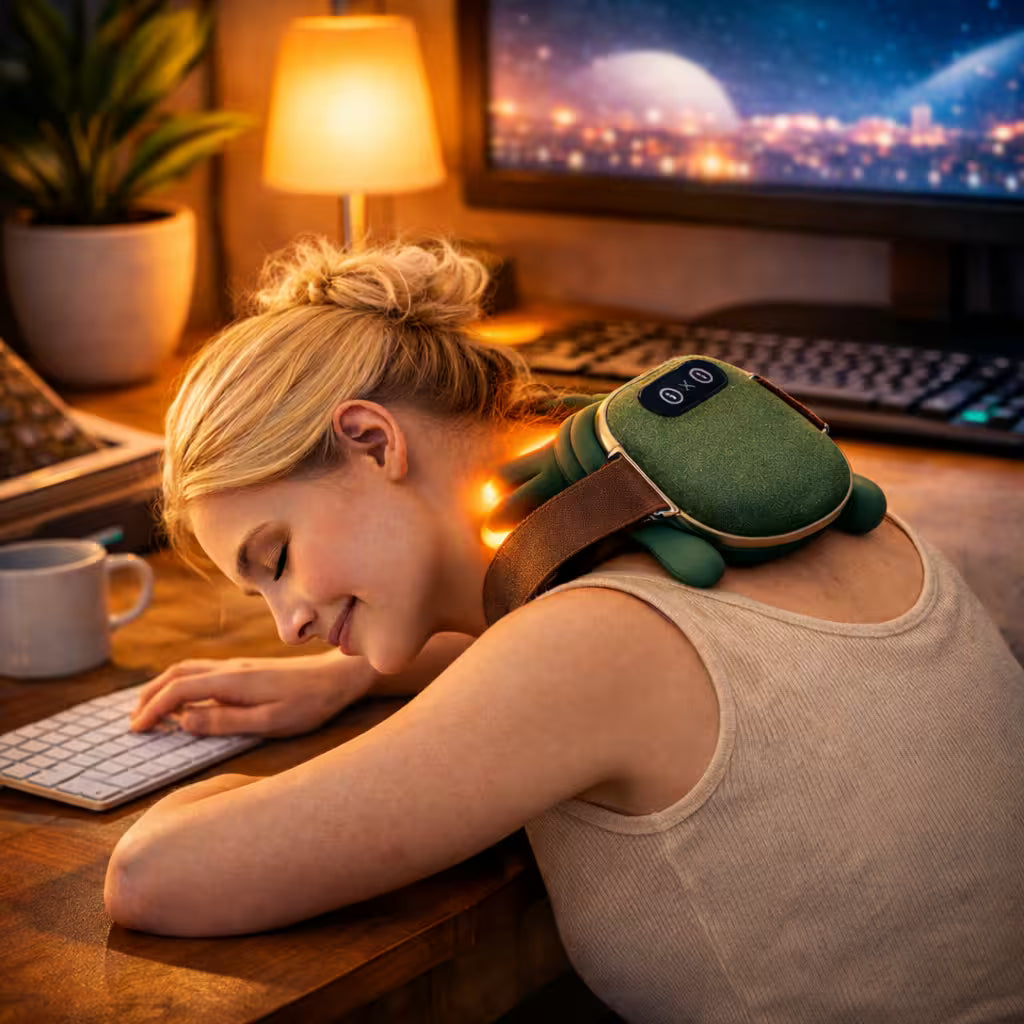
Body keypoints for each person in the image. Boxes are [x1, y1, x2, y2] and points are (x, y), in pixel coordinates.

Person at [105, 236, 1024, 1024]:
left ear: (375, 441)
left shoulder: (583, 648)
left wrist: (177, 799)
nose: (290, 622)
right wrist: (361, 674)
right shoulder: (793, 516)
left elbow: (154, 880)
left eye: (278, 558)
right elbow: (704, 665)